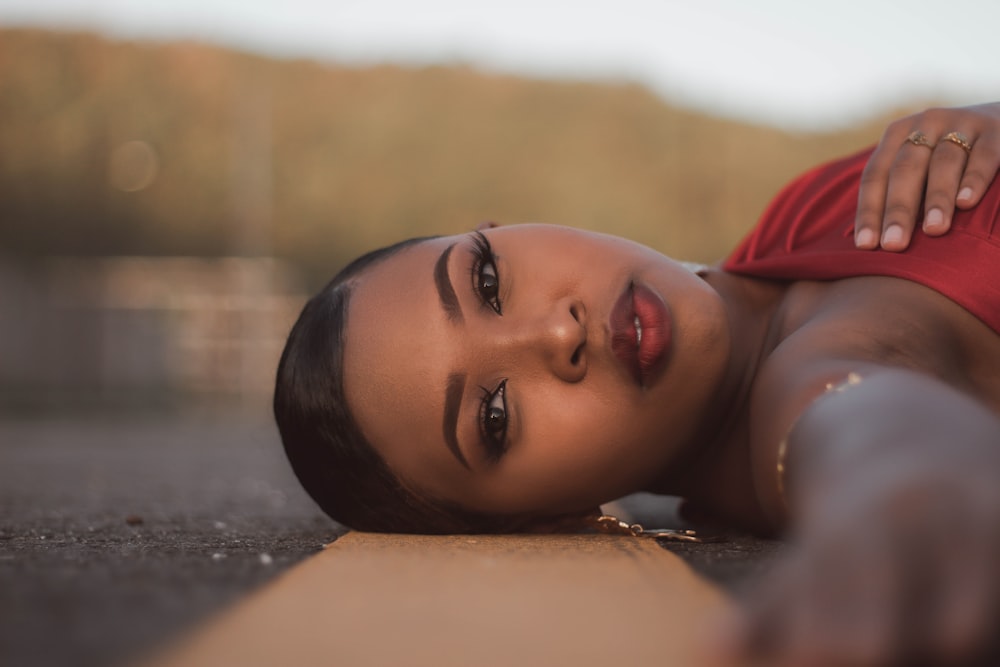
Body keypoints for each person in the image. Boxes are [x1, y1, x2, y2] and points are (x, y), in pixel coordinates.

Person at [274, 102, 1000, 665]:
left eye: (488, 280)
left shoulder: (793, 222)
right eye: (495, 417)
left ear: (504, 226)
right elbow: (864, 417)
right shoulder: (803, 390)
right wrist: (906, 494)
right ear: (544, 519)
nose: (558, 335)